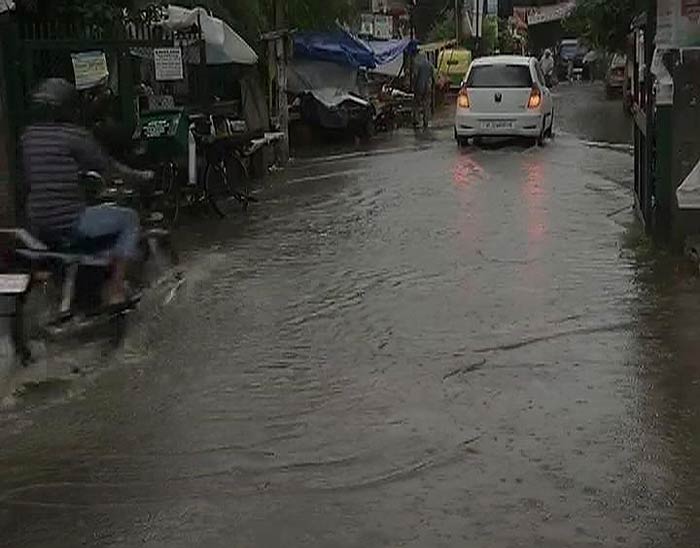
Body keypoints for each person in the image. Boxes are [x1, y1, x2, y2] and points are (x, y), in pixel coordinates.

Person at [22, 78, 153, 306]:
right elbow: (108, 167)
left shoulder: (28, 137)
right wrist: (140, 177)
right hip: (68, 220)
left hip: (36, 221)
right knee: (129, 219)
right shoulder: (74, 136)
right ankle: (115, 288)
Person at [411, 52, 434, 130]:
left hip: (419, 87)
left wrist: (413, 86)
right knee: (426, 104)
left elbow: (415, 76)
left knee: (416, 104)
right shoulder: (430, 65)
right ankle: (425, 120)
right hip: (428, 87)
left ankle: (416, 120)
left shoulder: (417, 64)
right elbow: (433, 76)